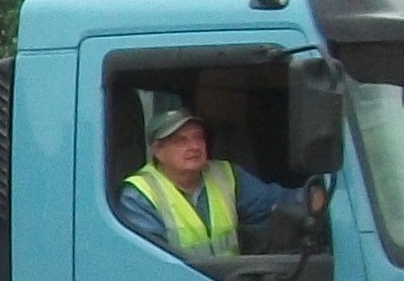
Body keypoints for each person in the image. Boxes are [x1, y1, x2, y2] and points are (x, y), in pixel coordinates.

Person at [115, 91, 324, 259]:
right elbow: (149, 261)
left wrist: (315, 197)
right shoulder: (139, 194)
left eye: (198, 138)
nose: (194, 146)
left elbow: (278, 204)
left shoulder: (225, 174)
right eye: (180, 141)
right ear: (158, 151)